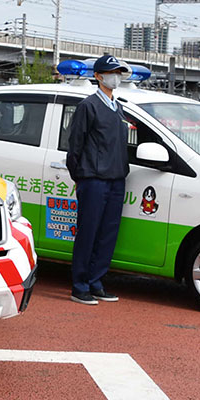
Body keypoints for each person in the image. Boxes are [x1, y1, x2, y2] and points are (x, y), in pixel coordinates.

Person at [65, 54, 131, 305]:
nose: (116, 77)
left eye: (118, 72)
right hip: (93, 179)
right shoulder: (88, 106)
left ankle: (96, 281)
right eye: (111, 72)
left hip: (116, 179)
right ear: (98, 76)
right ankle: (79, 285)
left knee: (107, 233)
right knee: (88, 232)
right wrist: (81, 176)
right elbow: (75, 146)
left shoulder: (119, 107)